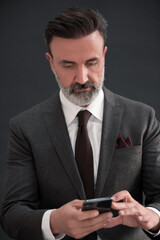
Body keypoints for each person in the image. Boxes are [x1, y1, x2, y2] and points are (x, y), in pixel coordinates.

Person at [0, 7, 160, 240]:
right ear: (51, 63)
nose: (82, 78)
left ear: (104, 56)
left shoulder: (143, 117)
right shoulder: (24, 127)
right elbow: (11, 213)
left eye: (92, 62)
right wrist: (55, 222)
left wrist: (151, 217)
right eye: (68, 65)